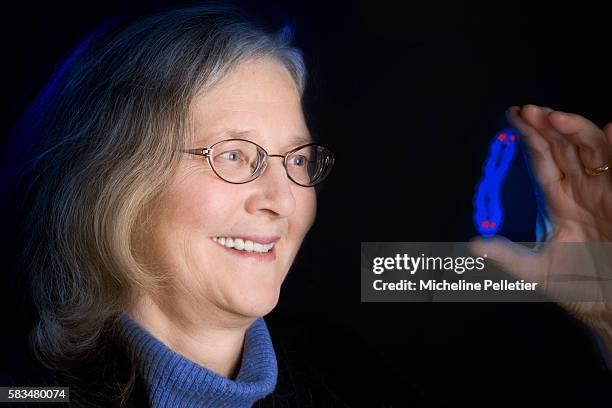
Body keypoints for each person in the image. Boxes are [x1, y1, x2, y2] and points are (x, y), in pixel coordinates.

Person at [0, 3, 379, 407]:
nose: (283, 200)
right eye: (233, 155)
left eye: (297, 160)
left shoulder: (349, 372)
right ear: (115, 177)